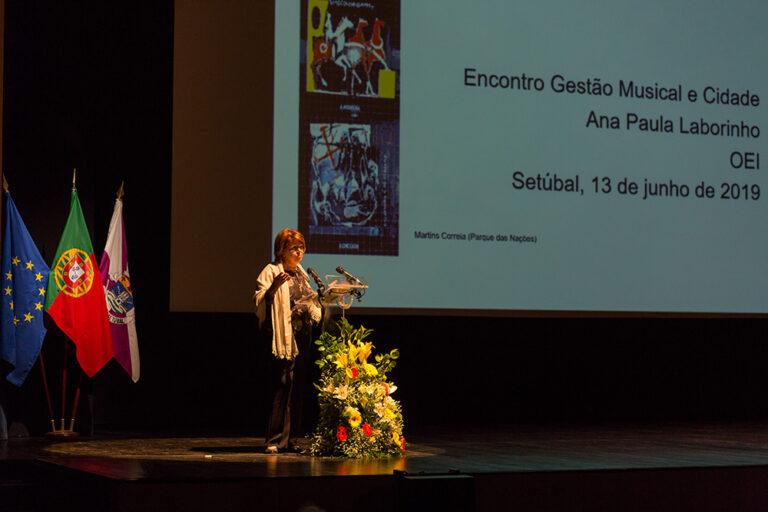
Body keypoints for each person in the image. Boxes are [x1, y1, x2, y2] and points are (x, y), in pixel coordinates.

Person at [253, 229, 321, 454]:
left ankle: (292, 440)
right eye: (294, 248)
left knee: (298, 388)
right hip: (284, 337)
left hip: (303, 337)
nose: (300, 252)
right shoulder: (271, 271)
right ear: (282, 250)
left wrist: (321, 299)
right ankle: (274, 440)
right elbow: (259, 301)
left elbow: (310, 300)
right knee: (282, 386)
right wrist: (273, 288)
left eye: (302, 247)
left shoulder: (302, 273)